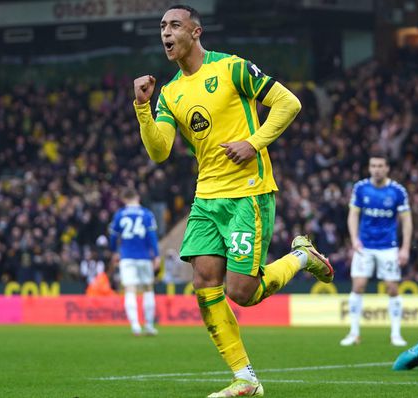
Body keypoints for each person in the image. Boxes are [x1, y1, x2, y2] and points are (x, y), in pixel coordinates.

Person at [132, 5, 333, 397]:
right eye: (161, 27)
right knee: (205, 283)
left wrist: (253, 143)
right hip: (207, 197)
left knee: (243, 292)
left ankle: (302, 257)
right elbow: (159, 151)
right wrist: (142, 107)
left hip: (249, 192)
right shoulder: (170, 92)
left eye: (174, 25)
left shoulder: (232, 68)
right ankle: (246, 378)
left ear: (196, 31)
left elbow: (289, 103)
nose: (166, 33)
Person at [341, 152, 412, 346]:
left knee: (392, 288)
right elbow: (353, 215)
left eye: (380, 166)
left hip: (388, 247)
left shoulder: (397, 191)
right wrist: (354, 239)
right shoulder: (361, 188)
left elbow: (406, 220)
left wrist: (405, 248)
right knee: (358, 286)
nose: (377, 169)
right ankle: (354, 333)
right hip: (364, 246)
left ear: (387, 168)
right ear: (369, 167)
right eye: (373, 166)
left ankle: (396, 334)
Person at [109, 187, 161, 336]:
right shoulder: (147, 214)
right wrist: (156, 255)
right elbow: (152, 237)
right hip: (144, 257)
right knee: (148, 289)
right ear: (137, 197)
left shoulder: (119, 214)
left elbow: (113, 237)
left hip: (126, 257)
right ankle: (149, 326)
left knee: (130, 289)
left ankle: (135, 326)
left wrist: (114, 252)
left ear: (124, 199)